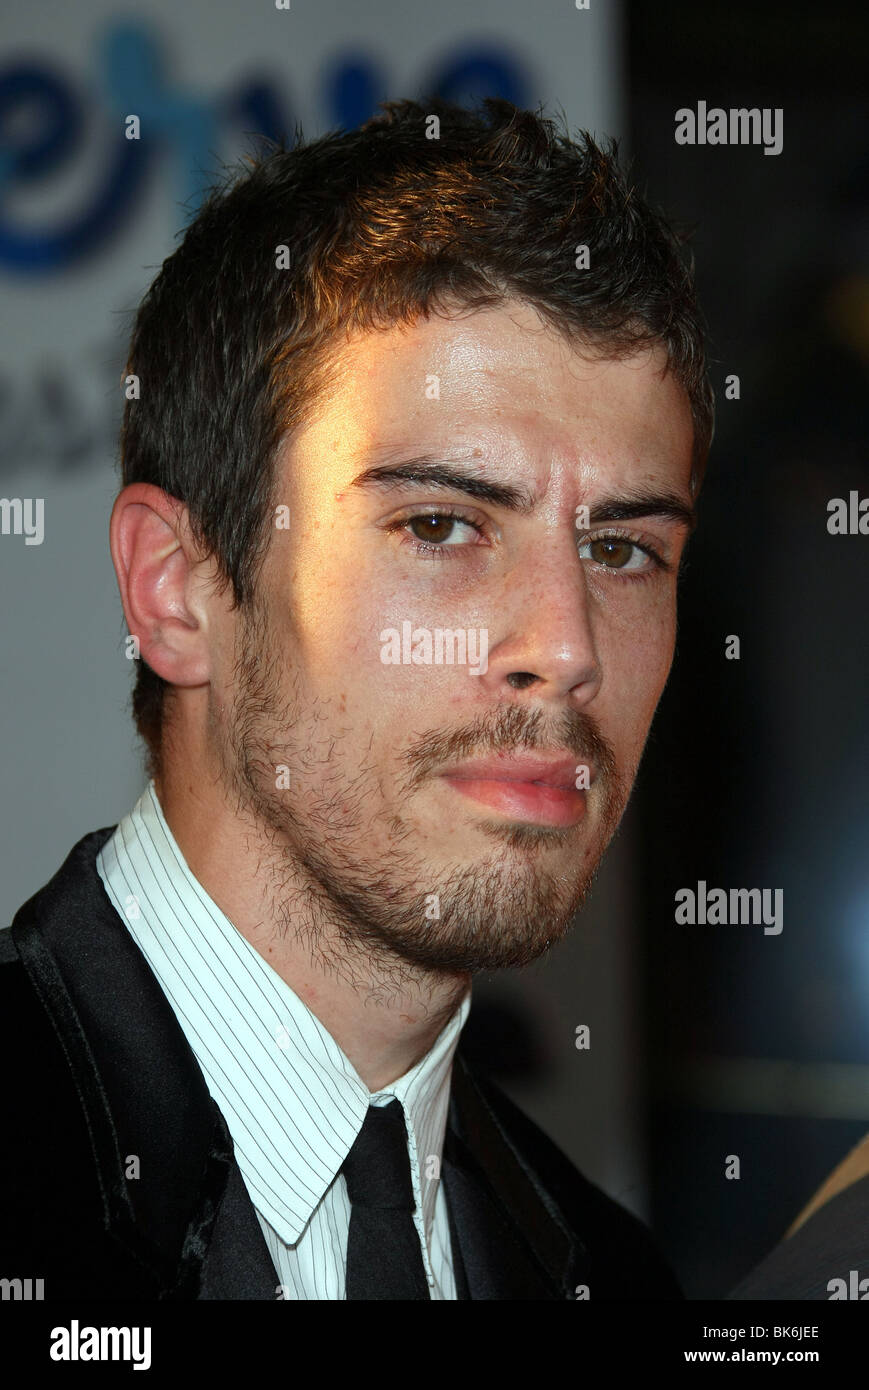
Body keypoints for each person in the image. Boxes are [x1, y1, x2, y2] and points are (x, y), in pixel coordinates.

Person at [0, 97, 712, 1300]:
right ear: (177, 592)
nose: (565, 645)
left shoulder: (608, 1273)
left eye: (621, 549)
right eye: (440, 525)